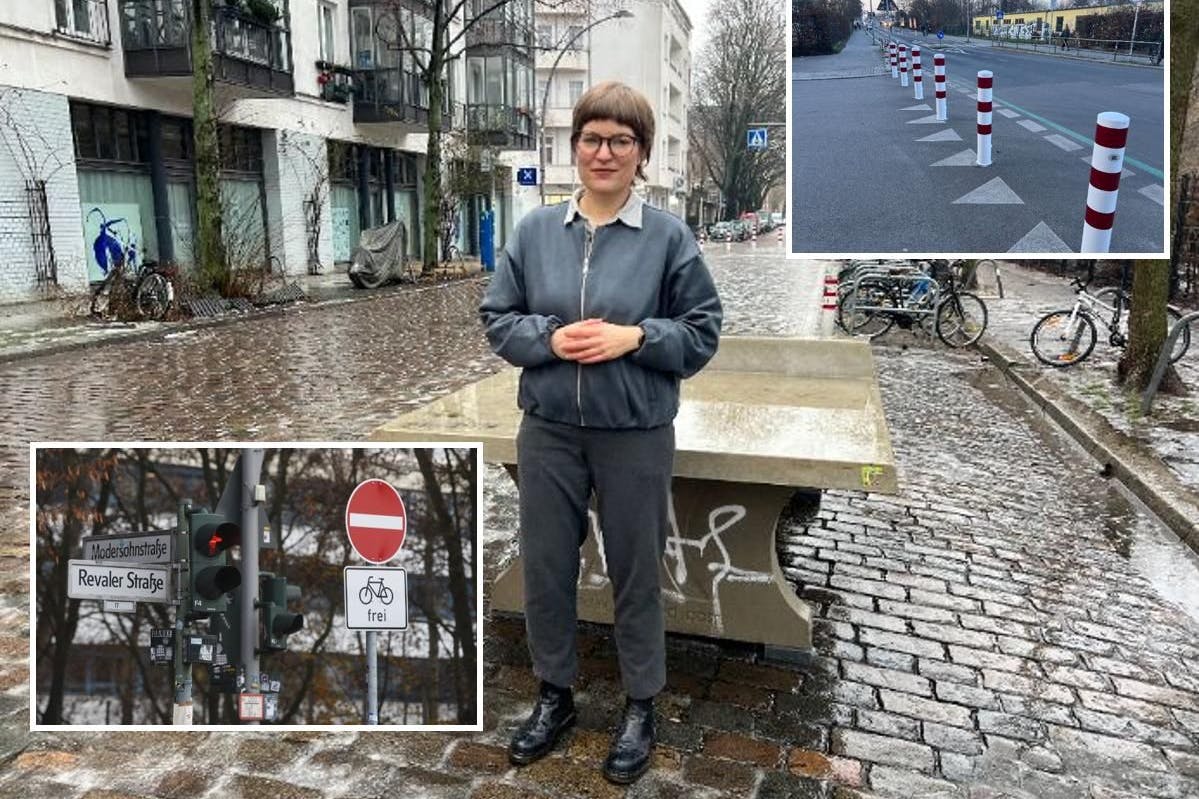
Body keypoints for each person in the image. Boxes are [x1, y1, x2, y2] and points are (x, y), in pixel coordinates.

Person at [479, 81, 722, 785]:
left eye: (620, 140)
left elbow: (702, 332)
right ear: (574, 146)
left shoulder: (668, 238)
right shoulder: (534, 232)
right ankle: (554, 695)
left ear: (641, 153)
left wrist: (634, 336)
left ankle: (640, 703)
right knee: (548, 567)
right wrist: (551, 340)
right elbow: (498, 318)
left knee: (636, 570)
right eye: (592, 138)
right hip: (549, 431)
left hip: (634, 432)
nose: (604, 151)